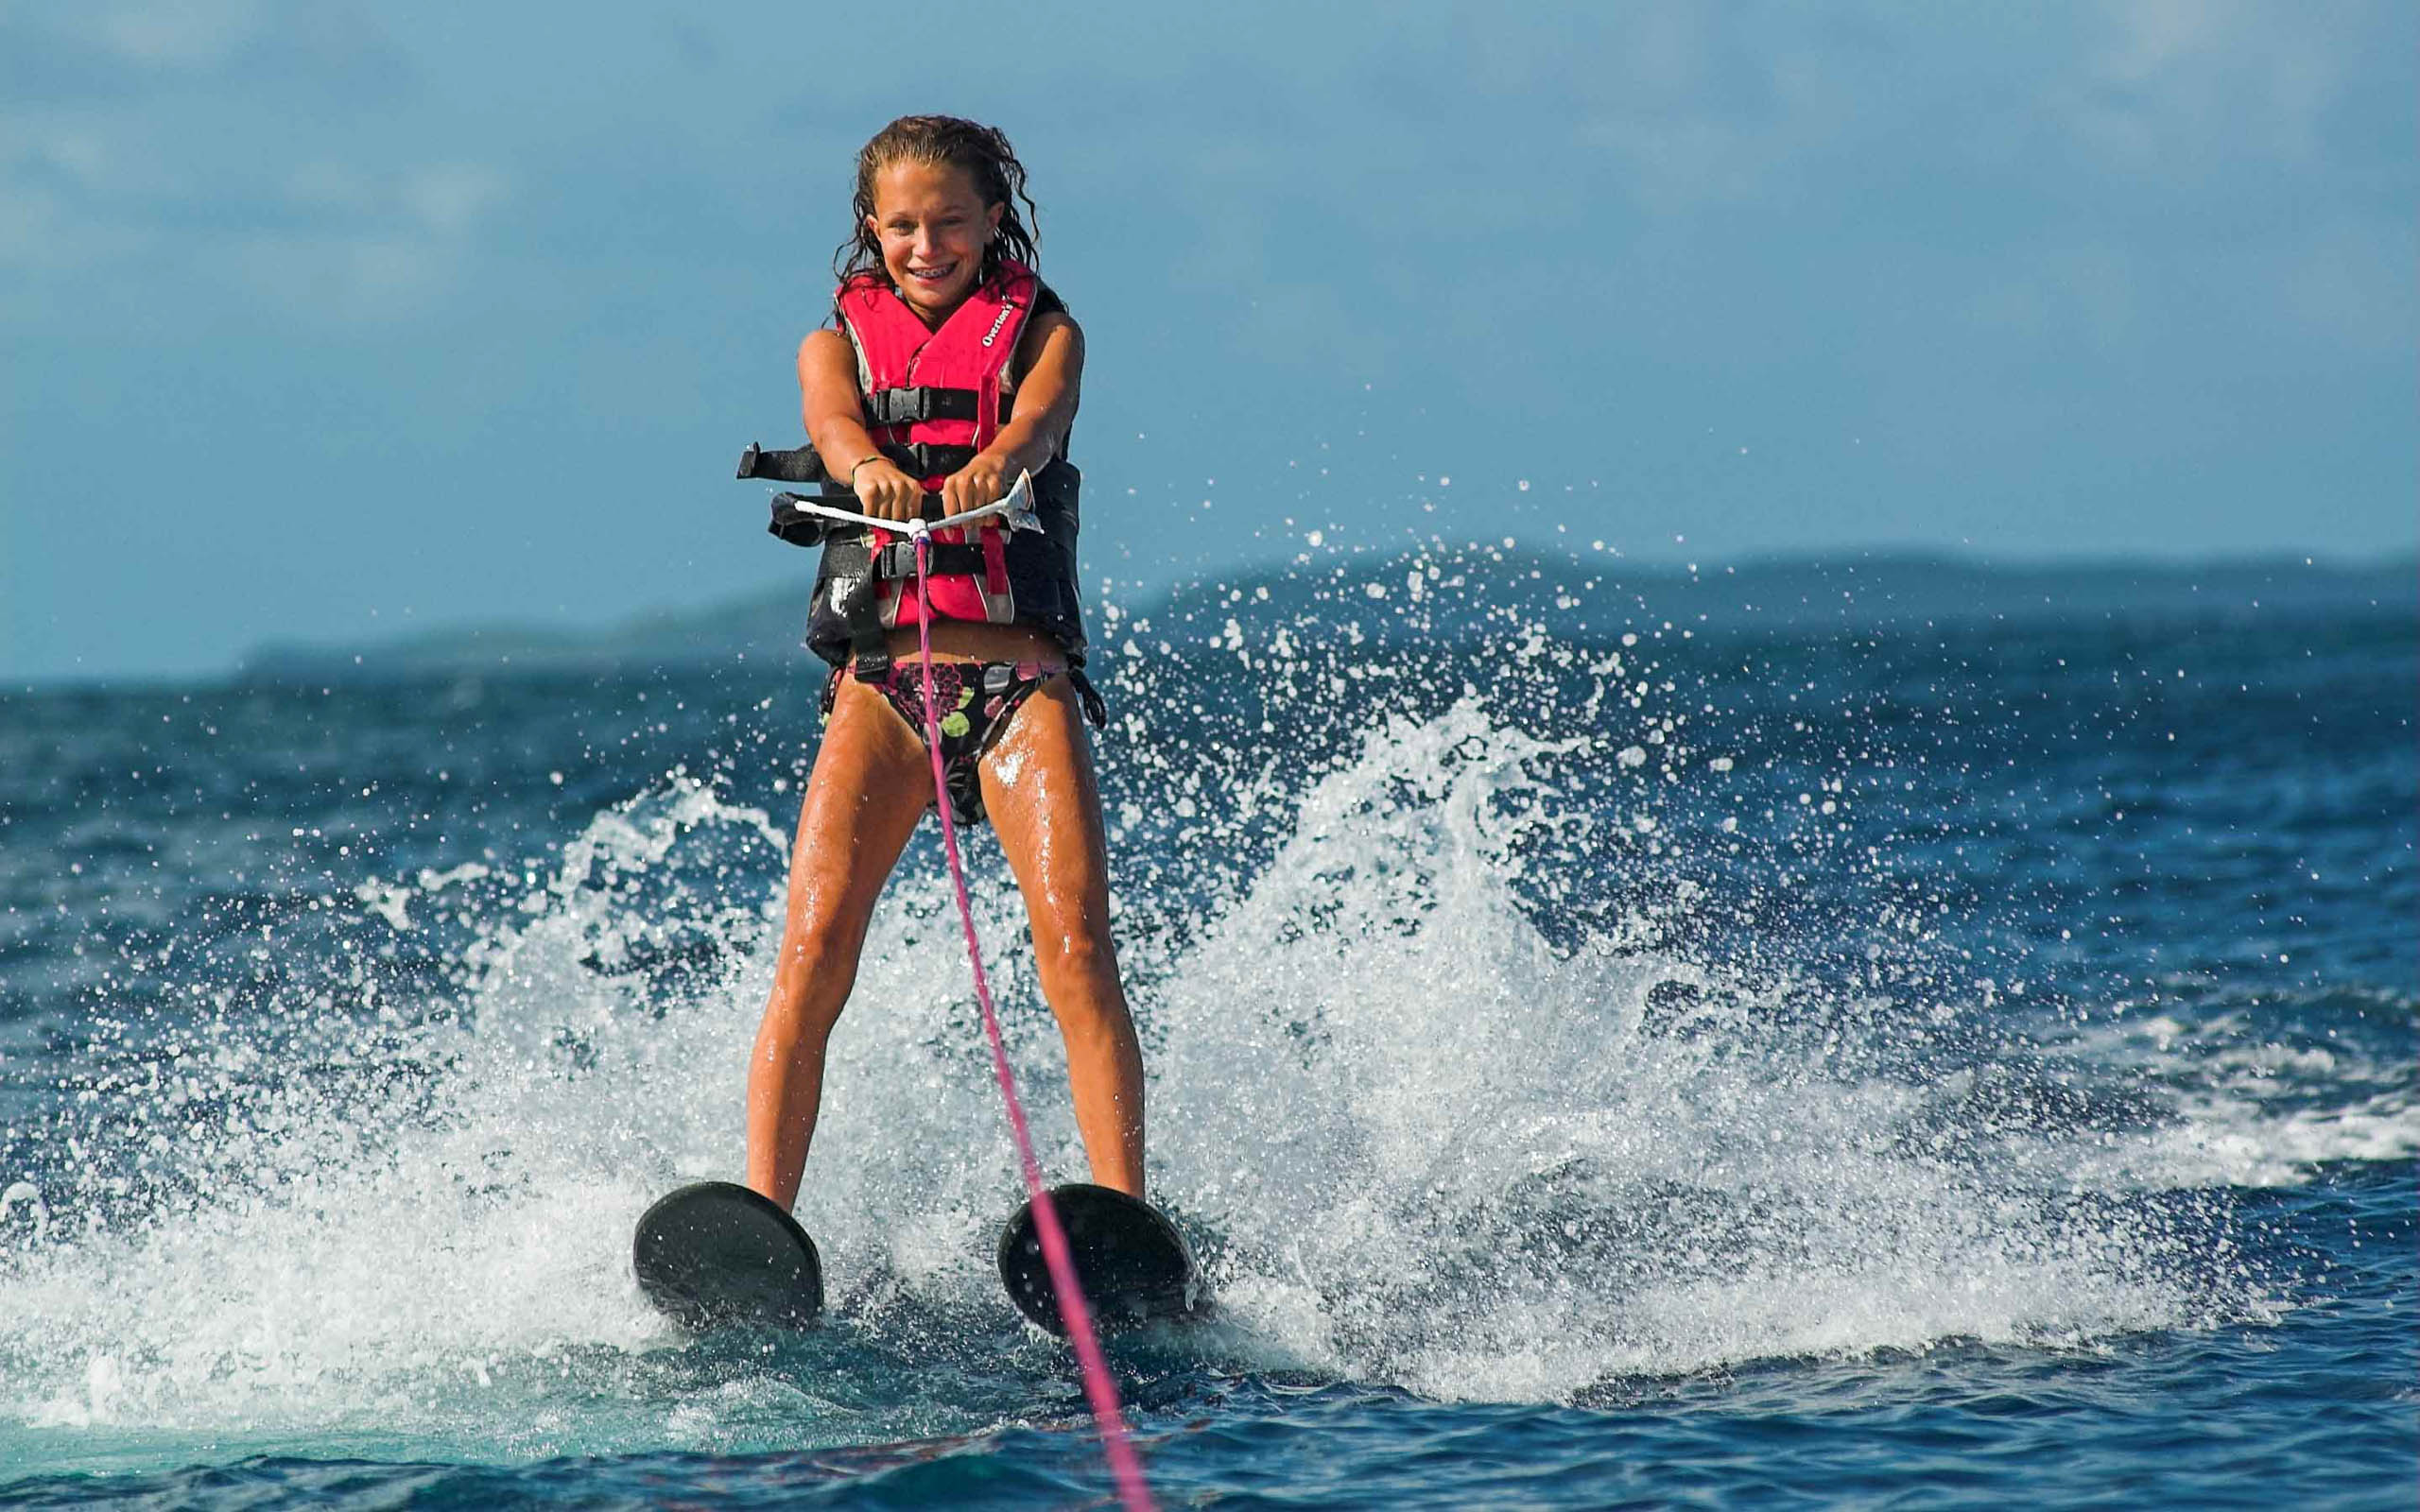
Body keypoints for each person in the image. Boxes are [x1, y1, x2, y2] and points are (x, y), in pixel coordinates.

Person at [744, 115, 1144, 1212]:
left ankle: (1123, 1212)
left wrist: (996, 462)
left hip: (1018, 686)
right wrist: (867, 465)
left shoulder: (1045, 335)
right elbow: (832, 424)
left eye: (952, 224)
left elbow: (1039, 425)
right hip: (885, 689)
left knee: (1073, 942)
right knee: (816, 945)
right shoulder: (833, 343)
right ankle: (763, 1216)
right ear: (872, 229)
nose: (928, 246)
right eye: (906, 226)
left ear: (992, 221)